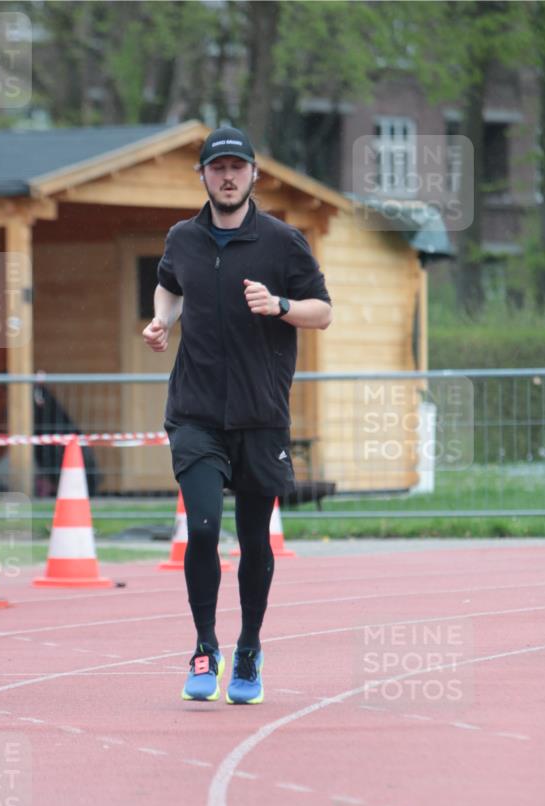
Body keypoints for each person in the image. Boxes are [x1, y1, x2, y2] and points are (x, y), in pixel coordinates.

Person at [143, 125, 332, 705]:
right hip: (196, 410)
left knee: (255, 539)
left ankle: (248, 646)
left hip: (260, 413)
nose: (227, 176)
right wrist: (162, 321)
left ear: (254, 175)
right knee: (201, 528)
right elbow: (168, 286)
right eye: (217, 168)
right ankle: (205, 645)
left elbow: (321, 312)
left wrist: (279, 306)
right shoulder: (182, 238)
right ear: (202, 176)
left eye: (237, 168)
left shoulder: (282, 242)